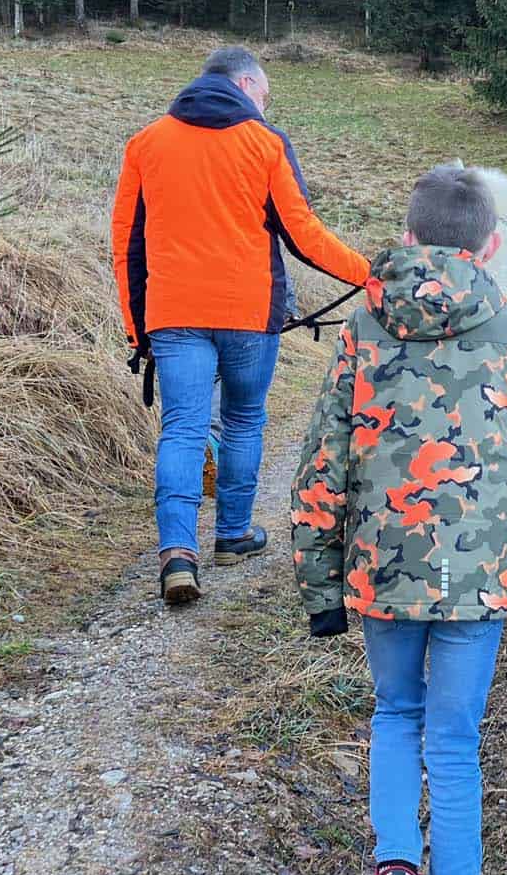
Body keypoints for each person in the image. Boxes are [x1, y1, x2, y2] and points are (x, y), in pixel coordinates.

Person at [291, 165, 507, 875]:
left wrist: (322, 589)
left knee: (395, 713)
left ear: (410, 235)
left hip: (383, 580)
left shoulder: (362, 331)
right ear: (491, 243)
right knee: (455, 745)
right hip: (477, 588)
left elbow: (320, 465)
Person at [111, 45, 372, 607]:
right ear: (247, 84)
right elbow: (303, 234)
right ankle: (232, 534)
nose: (265, 104)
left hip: (174, 315)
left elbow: (127, 246)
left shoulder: (146, 144)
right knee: (244, 419)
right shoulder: (266, 143)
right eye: (266, 94)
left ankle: (177, 553)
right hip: (249, 314)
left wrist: (138, 331)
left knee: (182, 427)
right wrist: (371, 275)